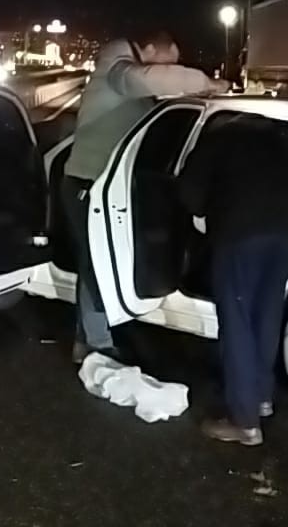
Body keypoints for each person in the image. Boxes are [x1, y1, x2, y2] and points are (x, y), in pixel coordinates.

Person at [63, 31, 227, 364]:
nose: (172, 68)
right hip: (87, 184)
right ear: (150, 50)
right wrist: (205, 82)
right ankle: (95, 343)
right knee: (97, 264)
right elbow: (145, 79)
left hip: (111, 185)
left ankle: (91, 336)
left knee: (100, 261)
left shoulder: (131, 70)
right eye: (171, 61)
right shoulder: (117, 62)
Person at [178, 114, 288, 446]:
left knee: (236, 320)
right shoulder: (279, 141)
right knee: (266, 312)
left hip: (242, 233)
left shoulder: (214, 142)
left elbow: (188, 195)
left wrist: (207, 209)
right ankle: (262, 397)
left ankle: (244, 421)